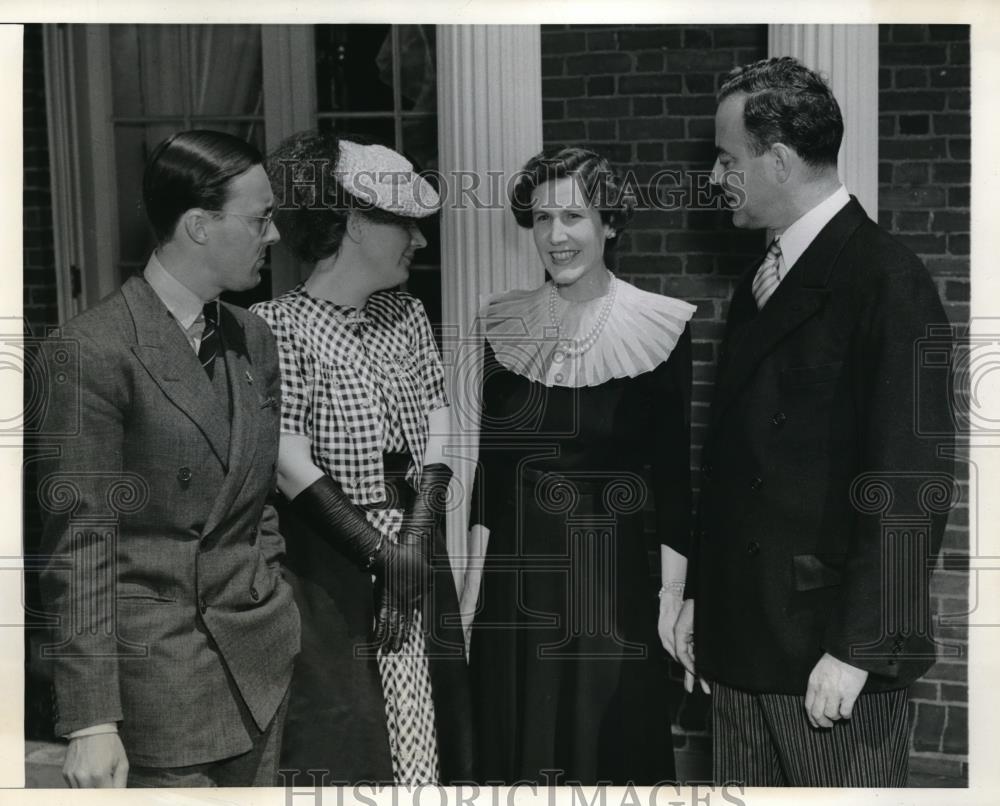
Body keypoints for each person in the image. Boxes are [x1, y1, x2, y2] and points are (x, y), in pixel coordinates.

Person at [674, 57, 955, 787]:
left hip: (827, 661)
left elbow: (909, 480)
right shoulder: (757, 285)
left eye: (725, 158)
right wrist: (702, 597)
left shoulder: (888, 280)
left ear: (777, 161)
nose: (713, 177)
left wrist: (862, 645)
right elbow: (731, 464)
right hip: (741, 650)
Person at [38, 130, 301, 787]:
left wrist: (271, 594)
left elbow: (258, 501)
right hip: (160, 695)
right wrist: (91, 722)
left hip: (261, 670)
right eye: (261, 218)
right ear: (198, 226)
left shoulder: (253, 337)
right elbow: (80, 547)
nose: (273, 236)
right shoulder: (90, 352)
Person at [465, 146, 695, 785]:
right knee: (516, 746)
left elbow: (674, 483)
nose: (555, 236)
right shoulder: (500, 320)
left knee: (603, 748)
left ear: (610, 224)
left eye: (573, 216)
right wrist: (471, 593)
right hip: (516, 579)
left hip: (606, 577)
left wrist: (671, 603)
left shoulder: (662, 326)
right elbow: (493, 471)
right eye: (542, 219)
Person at [251, 132, 473, 785]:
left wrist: (417, 537)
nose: (420, 240)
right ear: (353, 222)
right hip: (327, 566)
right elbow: (287, 457)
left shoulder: (404, 315)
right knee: (350, 728)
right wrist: (379, 554)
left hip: (412, 543)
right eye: (406, 223)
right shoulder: (274, 326)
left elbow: (437, 419)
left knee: (434, 721)